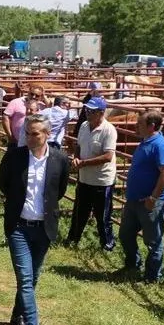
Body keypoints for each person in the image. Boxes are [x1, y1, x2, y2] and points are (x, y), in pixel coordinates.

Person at [0, 114, 69, 325]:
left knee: (33, 277)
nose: (29, 137)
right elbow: (4, 184)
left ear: (47, 134)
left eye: (35, 133)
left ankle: (17, 314)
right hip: (19, 227)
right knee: (25, 278)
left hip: (43, 228)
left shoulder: (60, 159)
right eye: (27, 133)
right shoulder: (14, 157)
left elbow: (58, 191)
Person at [118, 111, 164, 283]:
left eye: (139, 124)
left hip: (149, 202)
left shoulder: (160, 145)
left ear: (151, 126)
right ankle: (133, 265)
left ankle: (152, 277)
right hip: (134, 200)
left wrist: (153, 198)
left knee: (153, 241)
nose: (136, 126)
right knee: (125, 234)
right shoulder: (145, 142)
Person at [65, 96, 116, 250]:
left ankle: (107, 244)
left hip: (102, 180)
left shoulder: (109, 130)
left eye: (92, 111)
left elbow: (108, 156)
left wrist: (83, 163)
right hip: (85, 177)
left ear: (101, 113)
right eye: (87, 109)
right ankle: (73, 238)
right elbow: (79, 145)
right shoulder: (84, 126)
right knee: (80, 210)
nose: (87, 113)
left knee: (103, 215)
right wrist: (76, 157)